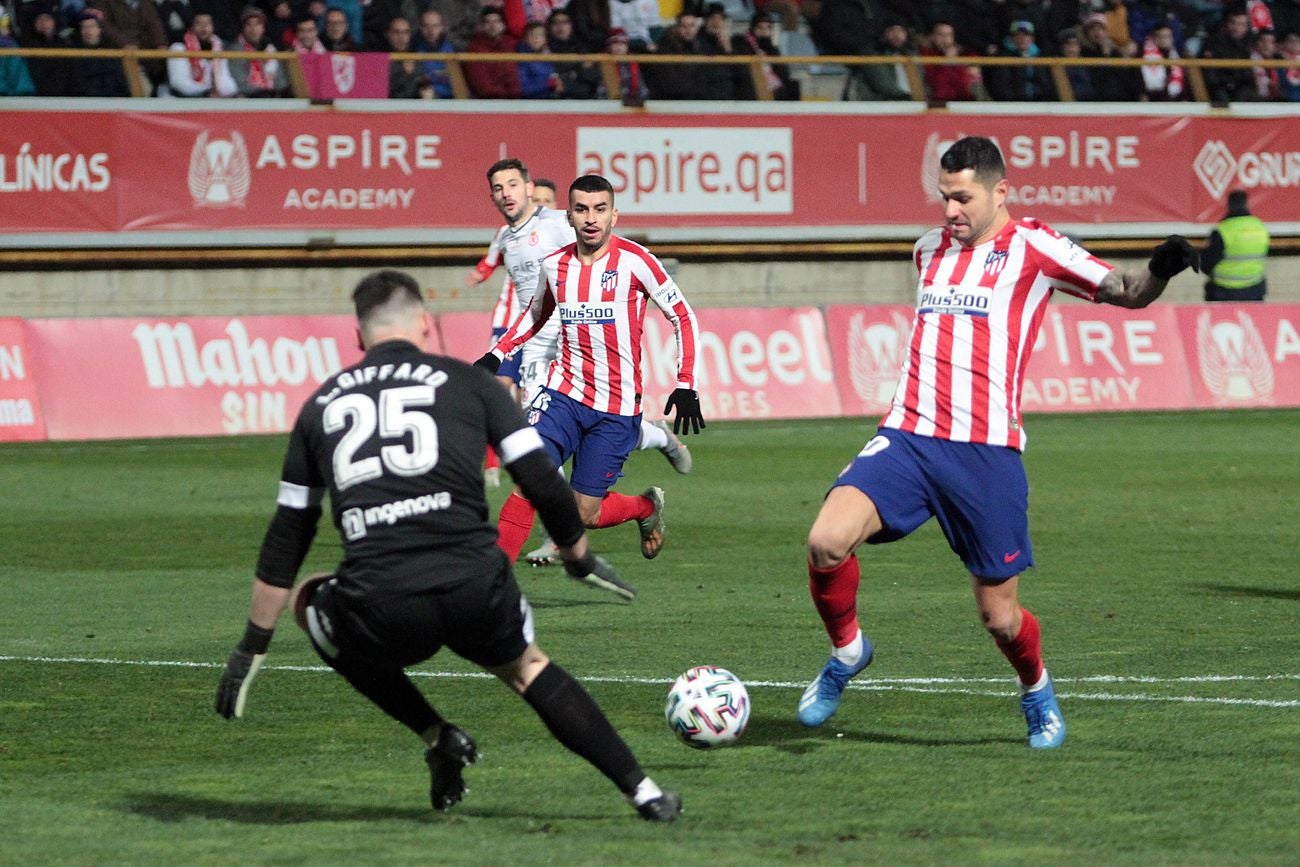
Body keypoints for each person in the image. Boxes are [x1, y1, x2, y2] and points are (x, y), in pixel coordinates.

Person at [213, 269, 681, 823]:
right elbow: (540, 479)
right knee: (528, 669)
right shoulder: (471, 383)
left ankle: (436, 734)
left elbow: (289, 532)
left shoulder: (320, 406)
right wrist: (579, 559)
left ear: (359, 337)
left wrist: (251, 646)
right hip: (473, 586)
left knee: (312, 597)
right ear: (426, 324)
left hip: (385, 603)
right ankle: (645, 792)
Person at [793, 136, 1199, 749]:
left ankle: (1036, 689)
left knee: (999, 617)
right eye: (944, 197)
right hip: (908, 435)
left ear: (999, 192)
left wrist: (1162, 267)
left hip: (985, 452)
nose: (949, 211)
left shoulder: (1035, 247)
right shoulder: (928, 249)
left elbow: (1128, 291)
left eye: (962, 198)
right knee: (825, 540)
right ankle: (848, 652)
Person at [475, 174, 705, 586]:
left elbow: (683, 316)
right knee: (532, 480)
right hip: (563, 395)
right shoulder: (556, 265)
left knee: (584, 515)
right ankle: (488, 589)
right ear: (570, 215)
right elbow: (535, 315)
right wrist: (496, 355)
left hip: (615, 409)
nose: (591, 218)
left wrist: (686, 382)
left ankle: (643, 507)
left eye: (600, 209)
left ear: (614, 214)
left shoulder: (636, 261)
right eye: (581, 209)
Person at [1202, 189, 1269, 301]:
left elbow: (1206, 264)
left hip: (1224, 291)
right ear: (1247, 204)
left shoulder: (1223, 230)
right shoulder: (1260, 227)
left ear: (1229, 205)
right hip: (1255, 290)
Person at [166, 12, 238, 98]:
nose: (204, 28)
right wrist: (205, 92)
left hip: (212, 99)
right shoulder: (178, 48)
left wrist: (234, 93)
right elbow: (179, 83)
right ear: (191, 27)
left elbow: (225, 80)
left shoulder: (218, 48)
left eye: (208, 23)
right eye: (199, 23)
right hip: (182, 100)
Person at [228, 5, 287, 97]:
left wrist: (275, 91)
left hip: (272, 97)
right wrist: (264, 92)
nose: (253, 29)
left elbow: (281, 80)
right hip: (248, 98)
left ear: (263, 28)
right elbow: (240, 82)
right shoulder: (236, 49)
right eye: (248, 24)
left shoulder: (270, 48)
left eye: (258, 24)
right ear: (242, 28)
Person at [465, 7, 521, 98]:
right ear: (482, 26)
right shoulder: (475, 49)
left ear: (503, 25)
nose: (492, 26)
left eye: (496, 21)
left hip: (517, 99)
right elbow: (483, 86)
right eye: (488, 22)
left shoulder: (512, 44)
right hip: (489, 103)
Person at [413, 8, 455, 98]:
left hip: (454, 100)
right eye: (426, 26)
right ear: (420, 28)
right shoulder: (413, 51)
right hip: (429, 102)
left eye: (435, 26)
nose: (431, 31)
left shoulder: (453, 49)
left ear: (442, 27)